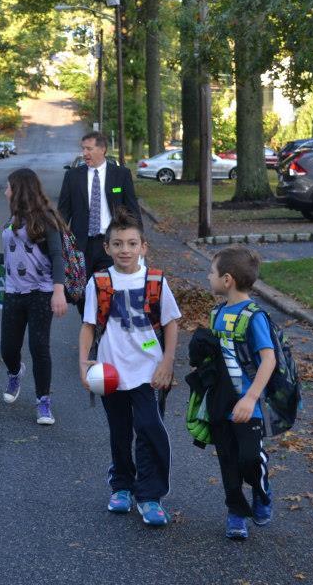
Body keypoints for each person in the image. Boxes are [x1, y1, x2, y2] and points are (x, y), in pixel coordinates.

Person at [78, 207, 180, 526]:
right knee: (119, 432)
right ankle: (122, 486)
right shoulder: (98, 282)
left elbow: (172, 323)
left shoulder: (156, 281)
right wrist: (84, 364)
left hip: (149, 372)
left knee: (150, 430)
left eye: (132, 244)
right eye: (118, 244)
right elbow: (88, 326)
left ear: (143, 247)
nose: (125, 250)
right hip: (111, 372)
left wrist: (167, 362)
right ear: (107, 248)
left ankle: (149, 495)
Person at [0, 168, 69, 426]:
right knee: (8, 349)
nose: (5, 191)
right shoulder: (12, 220)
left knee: (39, 348)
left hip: (42, 292)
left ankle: (43, 402)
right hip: (14, 292)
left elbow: (57, 256)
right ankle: (15, 372)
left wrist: (58, 290)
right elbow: (18, 258)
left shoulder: (46, 219)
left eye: (8, 187)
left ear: (19, 190)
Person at [206, 245, 276, 540]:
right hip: (221, 405)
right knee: (228, 463)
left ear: (227, 280)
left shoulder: (254, 316)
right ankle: (236, 513)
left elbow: (268, 359)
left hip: (250, 408)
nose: (208, 276)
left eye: (212, 271)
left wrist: (250, 398)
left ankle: (261, 492)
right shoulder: (216, 313)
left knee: (250, 458)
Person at [58, 131, 140, 274]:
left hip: (112, 242)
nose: (84, 153)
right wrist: (57, 241)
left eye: (89, 149)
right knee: (84, 290)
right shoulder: (72, 176)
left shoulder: (121, 174)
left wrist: (138, 240)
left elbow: (132, 209)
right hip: (81, 244)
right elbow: (63, 212)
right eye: (83, 148)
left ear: (102, 150)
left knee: (109, 289)